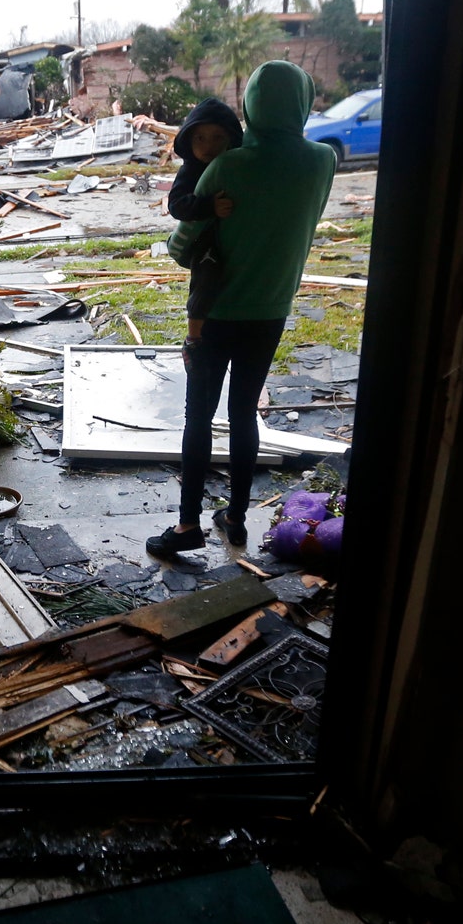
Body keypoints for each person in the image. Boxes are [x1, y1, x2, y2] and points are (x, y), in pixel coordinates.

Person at [147, 61, 336, 557]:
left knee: (199, 418)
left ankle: (187, 528)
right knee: (244, 413)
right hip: (271, 311)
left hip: (215, 315)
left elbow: (181, 247)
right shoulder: (323, 161)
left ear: (250, 105)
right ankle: (235, 517)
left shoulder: (227, 166)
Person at [164, 97, 244, 344]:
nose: (208, 145)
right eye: (200, 138)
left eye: (217, 137)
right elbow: (176, 205)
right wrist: (209, 206)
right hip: (204, 240)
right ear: (188, 140)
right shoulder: (190, 170)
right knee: (206, 280)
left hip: (236, 234)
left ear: (231, 138)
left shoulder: (237, 166)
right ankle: (194, 337)